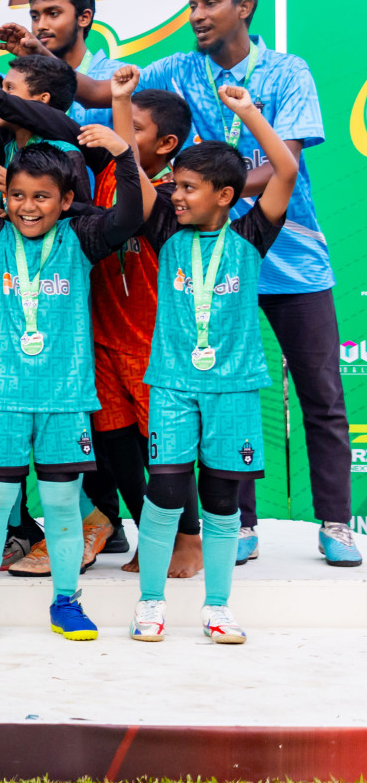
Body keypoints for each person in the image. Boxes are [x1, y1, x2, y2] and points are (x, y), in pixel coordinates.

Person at [66, 0, 359, 566]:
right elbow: (103, 93)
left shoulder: (287, 71)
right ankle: (240, 522)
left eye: (208, 3)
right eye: (191, 3)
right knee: (223, 393)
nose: (196, 14)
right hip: (207, 265)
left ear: (244, 7)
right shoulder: (175, 70)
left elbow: (287, 163)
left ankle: (336, 522)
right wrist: (47, 68)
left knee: (322, 395)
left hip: (288, 257)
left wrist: (208, 187)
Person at [0, 113, 144, 642]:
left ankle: (67, 603)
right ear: (7, 197)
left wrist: (123, 155)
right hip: (2, 397)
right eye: (19, 195)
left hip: (64, 398)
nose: (28, 207)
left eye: (42, 197)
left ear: (65, 201)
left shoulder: (82, 236)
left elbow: (128, 217)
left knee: (63, 504)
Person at [130, 84, 295, 645]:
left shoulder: (251, 236)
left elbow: (286, 171)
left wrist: (247, 113)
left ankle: (217, 608)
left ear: (225, 195)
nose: (176, 196)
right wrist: (122, 106)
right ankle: (151, 603)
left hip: (234, 389)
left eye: (189, 189)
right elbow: (132, 176)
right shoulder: (164, 233)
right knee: (166, 494)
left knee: (223, 500)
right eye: (175, 185)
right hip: (173, 386)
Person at [0, 0, 119, 129]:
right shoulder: (19, 83)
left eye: (53, 14)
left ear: (84, 17)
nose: (41, 26)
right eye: (35, 17)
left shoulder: (119, 77)